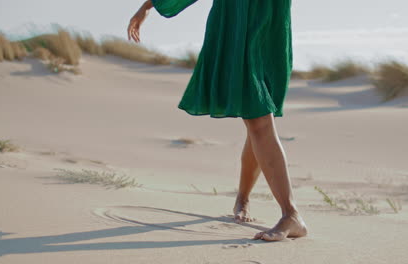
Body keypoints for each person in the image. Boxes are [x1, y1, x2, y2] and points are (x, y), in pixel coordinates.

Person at [127, 0, 308, 242]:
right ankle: (247, 200)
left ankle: (290, 214)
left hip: (267, 24)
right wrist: (150, 5)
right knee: (256, 120)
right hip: (236, 23)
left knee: (258, 120)